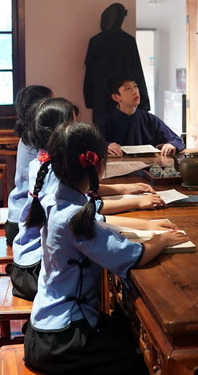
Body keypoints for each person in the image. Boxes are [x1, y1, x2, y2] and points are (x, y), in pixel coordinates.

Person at [23, 121, 188, 375]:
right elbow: (134, 256)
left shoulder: (58, 199)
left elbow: (99, 222)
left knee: (127, 337)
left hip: (46, 327)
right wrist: (162, 239)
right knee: (148, 369)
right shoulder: (76, 218)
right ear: (97, 164)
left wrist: (151, 227)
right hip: (63, 339)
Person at [12, 98, 163, 300]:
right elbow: (96, 220)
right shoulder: (62, 197)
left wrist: (126, 190)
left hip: (37, 270)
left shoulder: (47, 165)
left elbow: (89, 205)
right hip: (36, 270)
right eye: (73, 123)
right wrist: (149, 225)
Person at [2, 84, 53, 245]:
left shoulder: (29, 135)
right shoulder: (39, 142)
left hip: (18, 216)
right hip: (27, 224)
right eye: (51, 102)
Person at [83, 2, 149, 124]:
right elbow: (136, 71)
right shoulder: (128, 41)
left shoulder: (95, 41)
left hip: (100, 98)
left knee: (102, 131)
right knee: (124, 129)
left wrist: (89, 99)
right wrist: (143, 102)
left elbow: (89, 73)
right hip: (123, 96)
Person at [99, 71, 184, 157]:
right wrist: (106, 146)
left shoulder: (150, 120)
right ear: (116, 97)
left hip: (148, 165)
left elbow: (176, 140)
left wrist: (172, 144)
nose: (134, 92)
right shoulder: (106, 122)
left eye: (135, 86)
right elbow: (95, 145)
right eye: (128, 88)